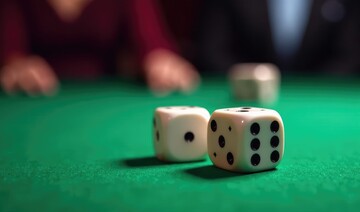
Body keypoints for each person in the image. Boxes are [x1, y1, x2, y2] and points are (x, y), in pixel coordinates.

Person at [0, 0, 199, 96]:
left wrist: (160, 60)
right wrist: (15, 64)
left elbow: (151, 42)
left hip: (107, 94)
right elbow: (9, 48)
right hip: (33, 96)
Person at [194, 0, 360, 75]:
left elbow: (349, 55)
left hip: (323, 98)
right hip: (242, 96)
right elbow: (211, 51)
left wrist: (310, 89)